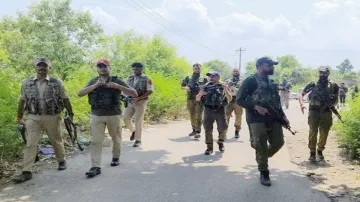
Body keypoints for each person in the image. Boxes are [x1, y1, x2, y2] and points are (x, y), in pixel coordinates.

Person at [14, 57, 74, 183]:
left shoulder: (57, 82)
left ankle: (61, 160)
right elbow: (22, 100)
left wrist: (70, 113)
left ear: (49, 68)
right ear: (35, 67)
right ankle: (26, 171)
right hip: (33, 117)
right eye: (39, 65)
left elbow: (65, 98)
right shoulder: (26, 83)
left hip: (52, 116)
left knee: (56, 140)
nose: (42, 68)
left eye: (44, 65)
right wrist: (19, 116)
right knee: (31, 143)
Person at [78, 59, 137, 178]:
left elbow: (134, 93)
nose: (102, 68)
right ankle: (95, 167)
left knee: (116, 138)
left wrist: (118, 86)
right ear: (97, 69)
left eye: (105, 66)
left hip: (113, 114)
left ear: (109, 68)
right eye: (99, 66)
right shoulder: (93, 81)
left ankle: (115, 157)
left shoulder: (116, 80)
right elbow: (80, 93)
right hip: (96, 115)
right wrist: (95, 85)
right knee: (95, 141)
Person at [236, 57, 288, 186]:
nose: (272, 67)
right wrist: (255, 107)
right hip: (256, 119)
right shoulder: (250, 80)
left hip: (273, 117)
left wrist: (284, 117)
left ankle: (262, 155)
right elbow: (239, 99)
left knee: (278, 142)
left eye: (272, 65)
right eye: (268, 65)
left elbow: (277, 102)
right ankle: (264, 172)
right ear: (259, 66)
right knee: (261, 144)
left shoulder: (271, 83)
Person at [299, 67, 339, 162]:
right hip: (314, 112)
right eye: (321, 73)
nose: (322, 75)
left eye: (325, 73)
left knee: (324, 133)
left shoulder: (334, 85)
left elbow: (336, 99)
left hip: (326, 112)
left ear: (328, 73)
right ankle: (312, 153)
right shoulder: (313, 84)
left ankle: (320, 150)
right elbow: (301, 94)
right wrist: (301, 104)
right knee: (313, 132)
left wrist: (331, 105)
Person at [196, 72, 232, 155]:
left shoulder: (223, 85)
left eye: (213, 76)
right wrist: (201, 94)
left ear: (218, 77)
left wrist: (226, 89)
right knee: (208, 129)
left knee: (223, 127)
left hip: (220, 110)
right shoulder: (205, 86)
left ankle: (220, 142)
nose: (211, 78)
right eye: (210, 76)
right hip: (208, 110)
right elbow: (197, 99)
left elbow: (229, 98)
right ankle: (209, 147)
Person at [123, 62, 153, 147]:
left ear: (141, 69)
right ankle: (134, 131)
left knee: (138, 121)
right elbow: (126, 89)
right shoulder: (130, 78)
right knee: (125, 118)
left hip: (141, 102)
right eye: (133, 69)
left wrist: (139, 98)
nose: (134, 71)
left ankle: (138, 140)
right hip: (130, 101)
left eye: (136, 69)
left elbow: (150, 91)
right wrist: (124, 95)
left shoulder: (147, 78)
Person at [181, 63, 208, 139]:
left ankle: (198, 132)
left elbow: (207, 88)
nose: (197, 69)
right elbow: (182, 86)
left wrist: (203, 93)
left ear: (200, 69)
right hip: (190, 99)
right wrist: (185, 88)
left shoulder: (204, 78)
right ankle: (194, 129)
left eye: (198, 68)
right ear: (193, 69)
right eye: (195, 68)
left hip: (199, 99)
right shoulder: (188, 77)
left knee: (198, 116)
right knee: (192, 115)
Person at [225, 69, 243, 139]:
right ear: (232, 72)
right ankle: (224, 132)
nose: (235, 73)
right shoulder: (228, 81)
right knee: (226, 117)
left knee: (238, 117)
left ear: (239, 72)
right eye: (234, 71)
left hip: (238, 101)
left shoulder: (242, 81)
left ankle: (237, 131)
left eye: (237, 71)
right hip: (229, 101)